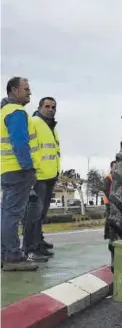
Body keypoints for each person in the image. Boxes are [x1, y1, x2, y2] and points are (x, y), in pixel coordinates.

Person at [1, 77, 40, 271]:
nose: (29, 92)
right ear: (14, 90)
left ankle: (5, 254)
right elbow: (19, 143)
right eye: (26, 89)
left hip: (7, 169)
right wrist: (28, 167)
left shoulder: (4, 111)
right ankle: (13, 257)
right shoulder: (16, 112)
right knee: (12, 214)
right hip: (18, 170)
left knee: (6, 213)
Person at [22, 97, 60, 260]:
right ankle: (31, 248)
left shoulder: (52, 127)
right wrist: (32, 173)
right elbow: (30, 148)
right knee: (33, 214)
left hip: (50, 175)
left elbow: (54, 152)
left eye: (53, 107)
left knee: (41, 214)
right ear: (39, 107)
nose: (51, 109)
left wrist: (57, 171)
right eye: (47, 106)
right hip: (38, 177)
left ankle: (38, 242)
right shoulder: (35, 122)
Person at [102, 160, 116, 239]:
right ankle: (107, 235)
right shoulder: (108, 178)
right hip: (108, 201)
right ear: (111, 168)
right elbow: (105, 190)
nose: (116, 169)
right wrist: (111, 199)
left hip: (114, 201)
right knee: (109, 217)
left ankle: (113, 234)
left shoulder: (116, 178)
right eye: (115, 167)